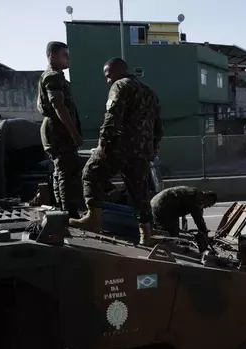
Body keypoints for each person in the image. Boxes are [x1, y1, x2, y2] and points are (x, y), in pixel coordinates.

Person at [69, 57, 164, 246]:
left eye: (108, 75)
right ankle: (145, 234)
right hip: (142, 151)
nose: (107, 80)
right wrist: (154, 145)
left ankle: (93, 218)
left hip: (119, 147)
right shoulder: (149, 91)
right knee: (139, 192)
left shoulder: (120, 86)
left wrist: (103, 144)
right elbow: (158, 124)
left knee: (90, 174)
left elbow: (112, 116)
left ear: (118, 71)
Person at [36, 41, 83, 219]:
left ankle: (63, 210)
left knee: (62, 171)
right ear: (52, 56)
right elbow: (58, 105)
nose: (68, 58)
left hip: (58, 130)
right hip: (58, 131)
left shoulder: (57, 76)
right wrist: (73, 133)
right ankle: (69, 214)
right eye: (65, 54)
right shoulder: (53, 76)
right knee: (66, 171)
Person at [150, 186, 217, 238]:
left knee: (168, 230)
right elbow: (198, 218)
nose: (206, 207)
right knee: (172, 234)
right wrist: (204, 232)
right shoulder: (196, 197)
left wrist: (203, 230)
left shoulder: (197, 193)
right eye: (208, 205)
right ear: (208, 198)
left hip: (157, 203)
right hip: (161, 205)